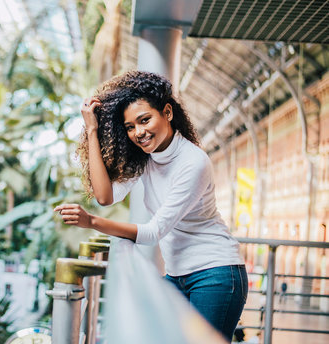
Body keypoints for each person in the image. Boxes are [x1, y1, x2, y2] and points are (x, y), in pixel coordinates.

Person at [54, 71, 248, 343]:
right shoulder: (147, 158)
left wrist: (92, 222)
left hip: (215, 275)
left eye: (144, 120)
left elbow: (153, 232)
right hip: (177, 274)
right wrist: (92, 130)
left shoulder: (194, 163)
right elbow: (105, 196)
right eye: (130, 127)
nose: (138, 132)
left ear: (167, 112)